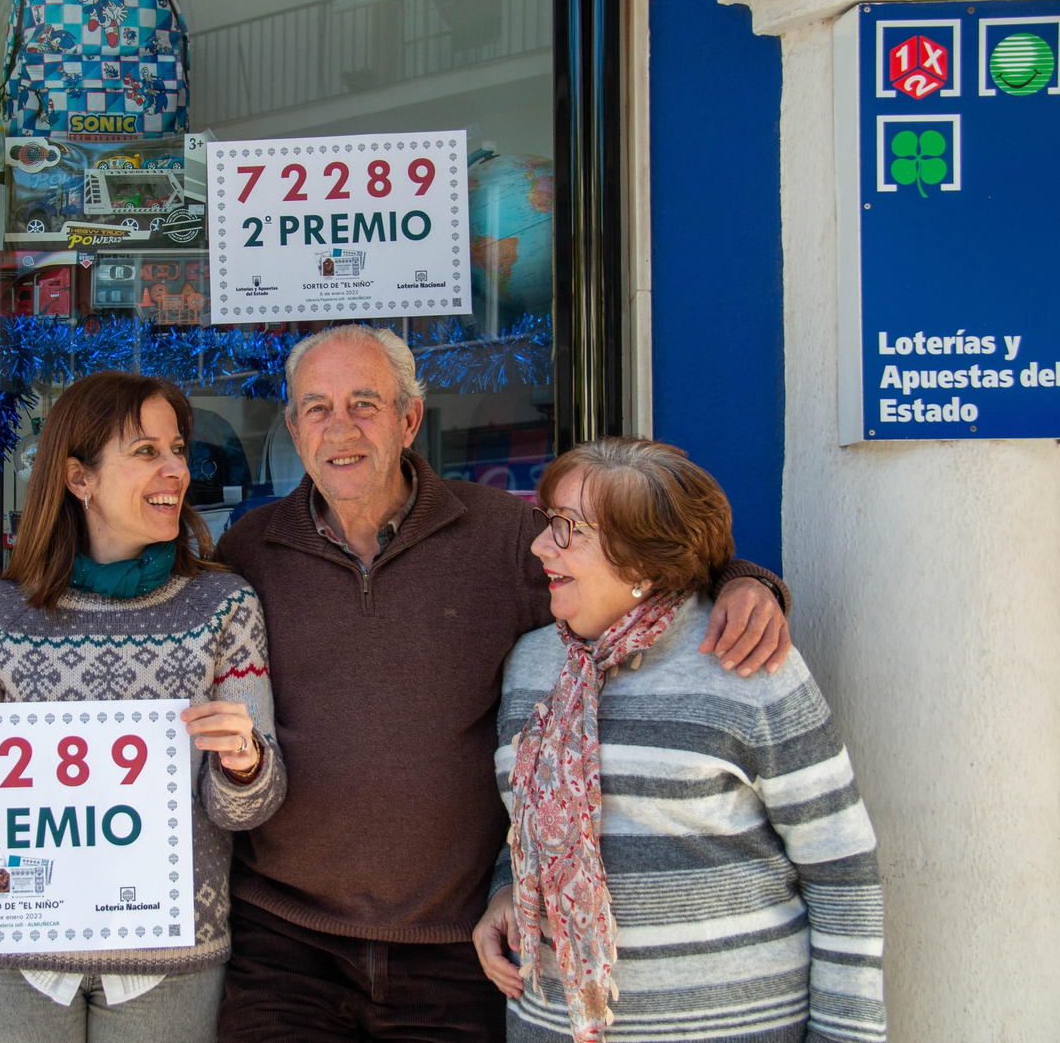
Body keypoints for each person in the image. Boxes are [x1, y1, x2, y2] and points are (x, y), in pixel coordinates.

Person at [214, 325, 792, 1042]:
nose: (341, 428)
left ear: (409, 419)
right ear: (294, 427)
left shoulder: (505, 535)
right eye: (317, 408)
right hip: (287, 944)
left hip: (459, 952)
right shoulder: (250, 548)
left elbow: (635, 572)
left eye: (364, 403)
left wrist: (744, 580)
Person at [474, 438, 885, 1042]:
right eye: (546, 521)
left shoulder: (747, 663)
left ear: (643, 559)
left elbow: (842, 871)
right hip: (553, 1025)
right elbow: (528, 828)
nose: (540, 546)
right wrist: (506, 890)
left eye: (567, 528)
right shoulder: (532, 666)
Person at [0, 371, 286, 1043]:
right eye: (146, 451)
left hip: (168, 955)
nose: (176, 469)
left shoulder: (224, 606)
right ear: (78, 478)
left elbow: (248, 809)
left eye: (177, 449)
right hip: (7, 953)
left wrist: (243, 764)